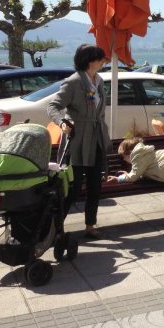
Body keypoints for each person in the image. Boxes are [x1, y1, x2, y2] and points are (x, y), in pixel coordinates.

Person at [47, 44, 110, 240]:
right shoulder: (73, 82)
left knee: (94, 186)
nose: (104, 61)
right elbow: (53, 106)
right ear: (91, 61)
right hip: (78, 140)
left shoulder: (98, 81)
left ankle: (90, 226)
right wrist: (63, 122)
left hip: (96, 137)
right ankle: (56, 229)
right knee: (71, 190)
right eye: (101, 58)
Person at [108, 137, 164, 228]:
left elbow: (134, 176)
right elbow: (141, 171)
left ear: (128, 152)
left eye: (123, 156)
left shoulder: (137, 156)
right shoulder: (142, 152)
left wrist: (118, 178)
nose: (123, 159)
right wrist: (128, 174)